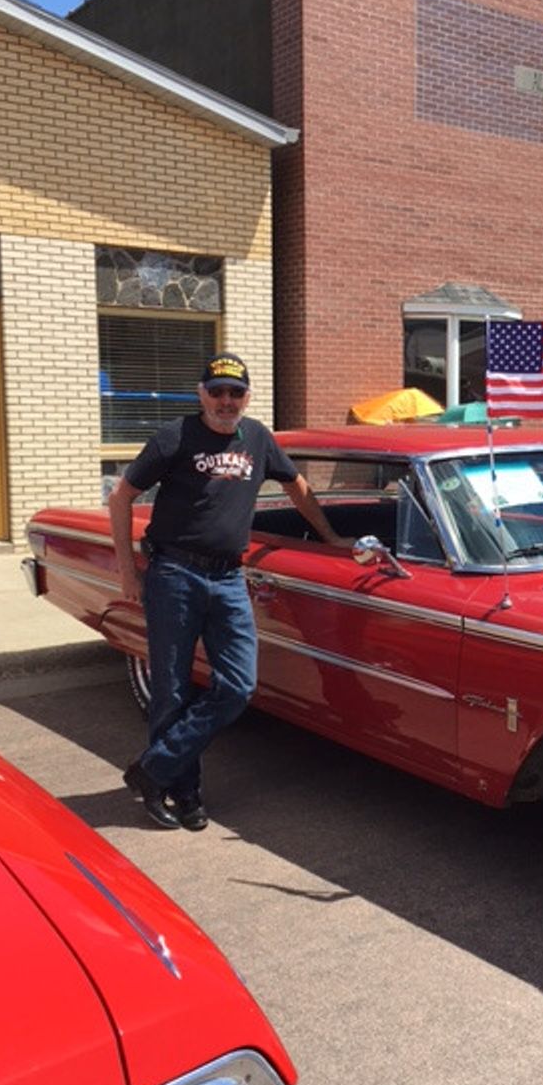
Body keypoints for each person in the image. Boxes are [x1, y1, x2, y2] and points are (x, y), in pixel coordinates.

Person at [108, 352, 347, 832]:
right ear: (201, 393)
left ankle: (154, 770)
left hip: (228, 577)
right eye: (216, 391)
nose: (225, 400)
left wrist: (331, 538)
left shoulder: (257, 437)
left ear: (247, 397)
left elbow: (298, 487)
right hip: (173, 573)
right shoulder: (174, 436)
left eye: (235, 392)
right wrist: (127, 573)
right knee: (172, 689)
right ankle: (186, 792)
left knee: (238, 686)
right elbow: (121, 496)